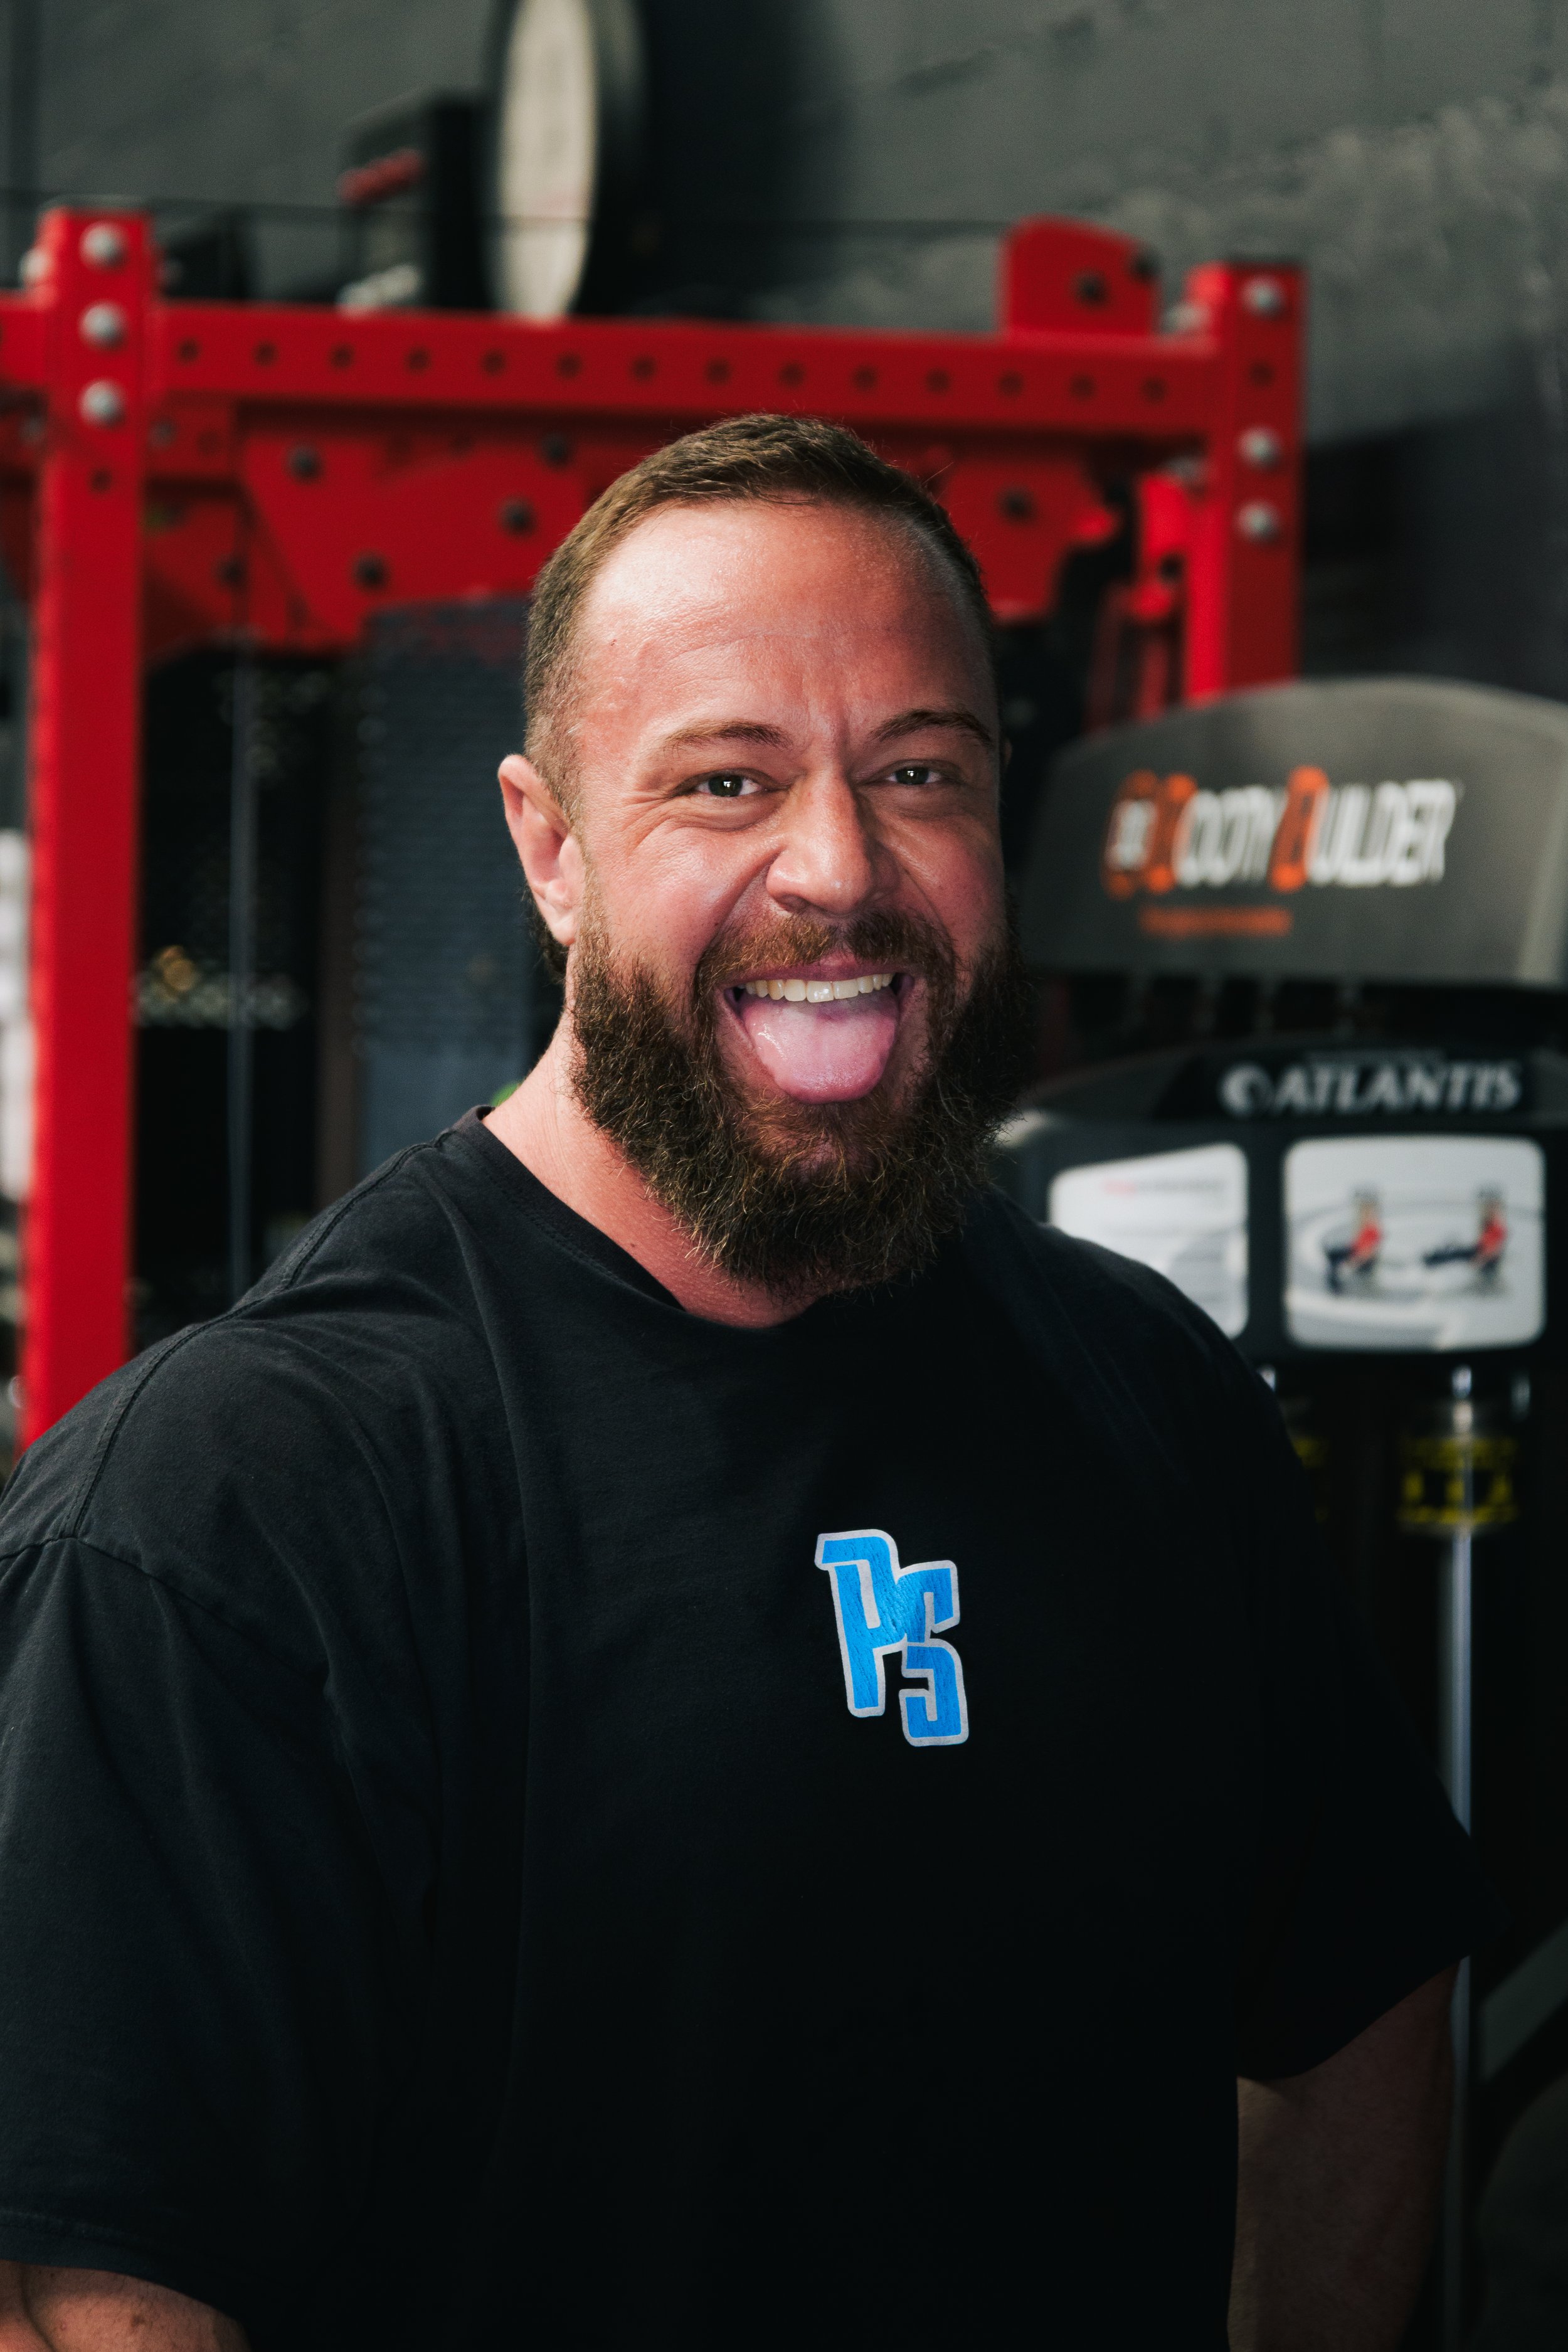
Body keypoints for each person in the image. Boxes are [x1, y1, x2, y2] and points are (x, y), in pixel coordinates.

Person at [0, 415, 1498, 2351]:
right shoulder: (233, 1504)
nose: (839, 869)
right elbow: (77, 2295)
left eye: (918, 774)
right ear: (550, 848)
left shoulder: (1144, 1392)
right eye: (727, 780)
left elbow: (1362, 1992)